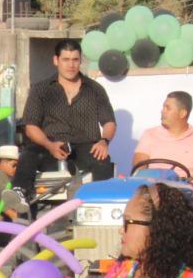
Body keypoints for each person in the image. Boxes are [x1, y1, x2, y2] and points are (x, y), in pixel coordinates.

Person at [14, 40, 117, 197]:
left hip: (85, 145)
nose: (71, 65)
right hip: (50, 145)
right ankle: (19, 194)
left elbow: (109, 121)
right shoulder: (40, 89)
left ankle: (102, 200)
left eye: (75, 60)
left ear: (80, 61)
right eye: (66, 60)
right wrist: (49, 145)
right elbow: (31, 126)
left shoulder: (94, 89)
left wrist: (104, 141)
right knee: (29, 153)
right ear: (56, 60)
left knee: (102, 159)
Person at [132, 92, 193, 205]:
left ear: (182, 113)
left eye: (167, 108)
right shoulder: (149, 135)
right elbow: (138, 169)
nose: (162, 111)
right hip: (153, 199)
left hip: (186, 201)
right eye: (163, 107)